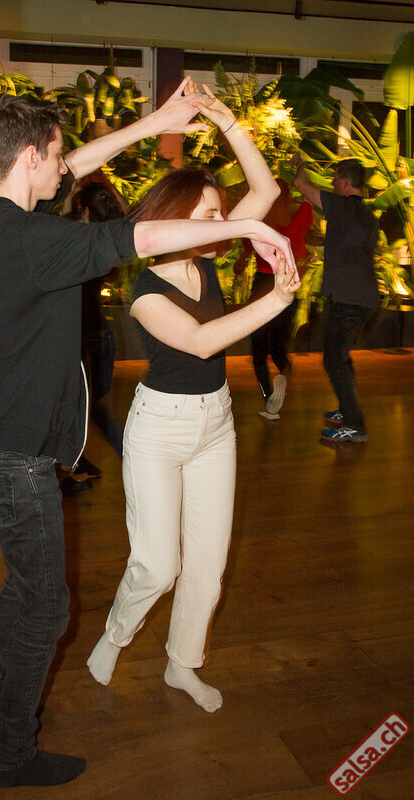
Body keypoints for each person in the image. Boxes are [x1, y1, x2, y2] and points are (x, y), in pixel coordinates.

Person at [0, 82, 297, 788]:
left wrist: (156, 123)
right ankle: (15, 754)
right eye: (56, 157)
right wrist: (247, 231)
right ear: (29, 159)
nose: (67, 168)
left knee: (23, 585)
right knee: (46, 606)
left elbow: (78, 169)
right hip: (17, 456)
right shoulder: (40, 242)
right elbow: (142, 238)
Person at [87, 85, 301, 714]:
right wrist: (277, 299)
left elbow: (265, 193)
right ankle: (115, 635)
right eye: (207, 216)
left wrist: (227, 121)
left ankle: (182, 664)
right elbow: (204, 342)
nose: (221, 225)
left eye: (218, 214)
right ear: (176, 218)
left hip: (216, 427)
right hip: (159, 430)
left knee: (207, 564)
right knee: (158, 565)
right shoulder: (145, 292)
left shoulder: (205, 261)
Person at [293, 155, 379, 442]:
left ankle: (355, 426)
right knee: (340, 358)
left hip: (348, 299)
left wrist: (301, 164)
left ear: (344, 183)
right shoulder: (368, 215)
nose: (331, 183)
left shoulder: (341, 206)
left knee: (334, 361)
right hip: (363, 297)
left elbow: (301, 184)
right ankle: (347, 410)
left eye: (334, 179)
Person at [61, 180, 128, 495]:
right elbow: (127, 215)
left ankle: (78, 468)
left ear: (84, 210)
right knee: (95, 408)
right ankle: (80, 464)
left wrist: (69, 195)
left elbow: (60, 222)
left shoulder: (74, 239)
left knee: (80, 409)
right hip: (101, 336)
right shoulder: (108, 240)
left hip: (79, 339)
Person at [238, 179, 313, 419]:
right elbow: (309, 197)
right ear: (288, 198)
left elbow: (241, 261)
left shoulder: (259, 225)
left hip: (262, 285)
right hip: (286, 284)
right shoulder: (299, 219)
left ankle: (269, 400)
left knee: (258, 349)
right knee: (279, 345)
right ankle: (283, 376)